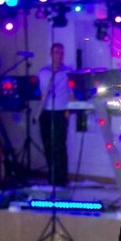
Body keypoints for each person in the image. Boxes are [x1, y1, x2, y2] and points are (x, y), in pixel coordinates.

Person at [36, 42, 71, 188]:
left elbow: (71, 93)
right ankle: (51, 176)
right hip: (46, 111)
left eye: (61, 53)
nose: (59, 55)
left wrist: (69, 110)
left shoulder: (67, 72)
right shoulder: (43, 72)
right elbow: (39, 92)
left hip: (60, 111)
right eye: (56, 52)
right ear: (51, 54)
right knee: (48, 144)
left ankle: (61, 178)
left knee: (59, 145)